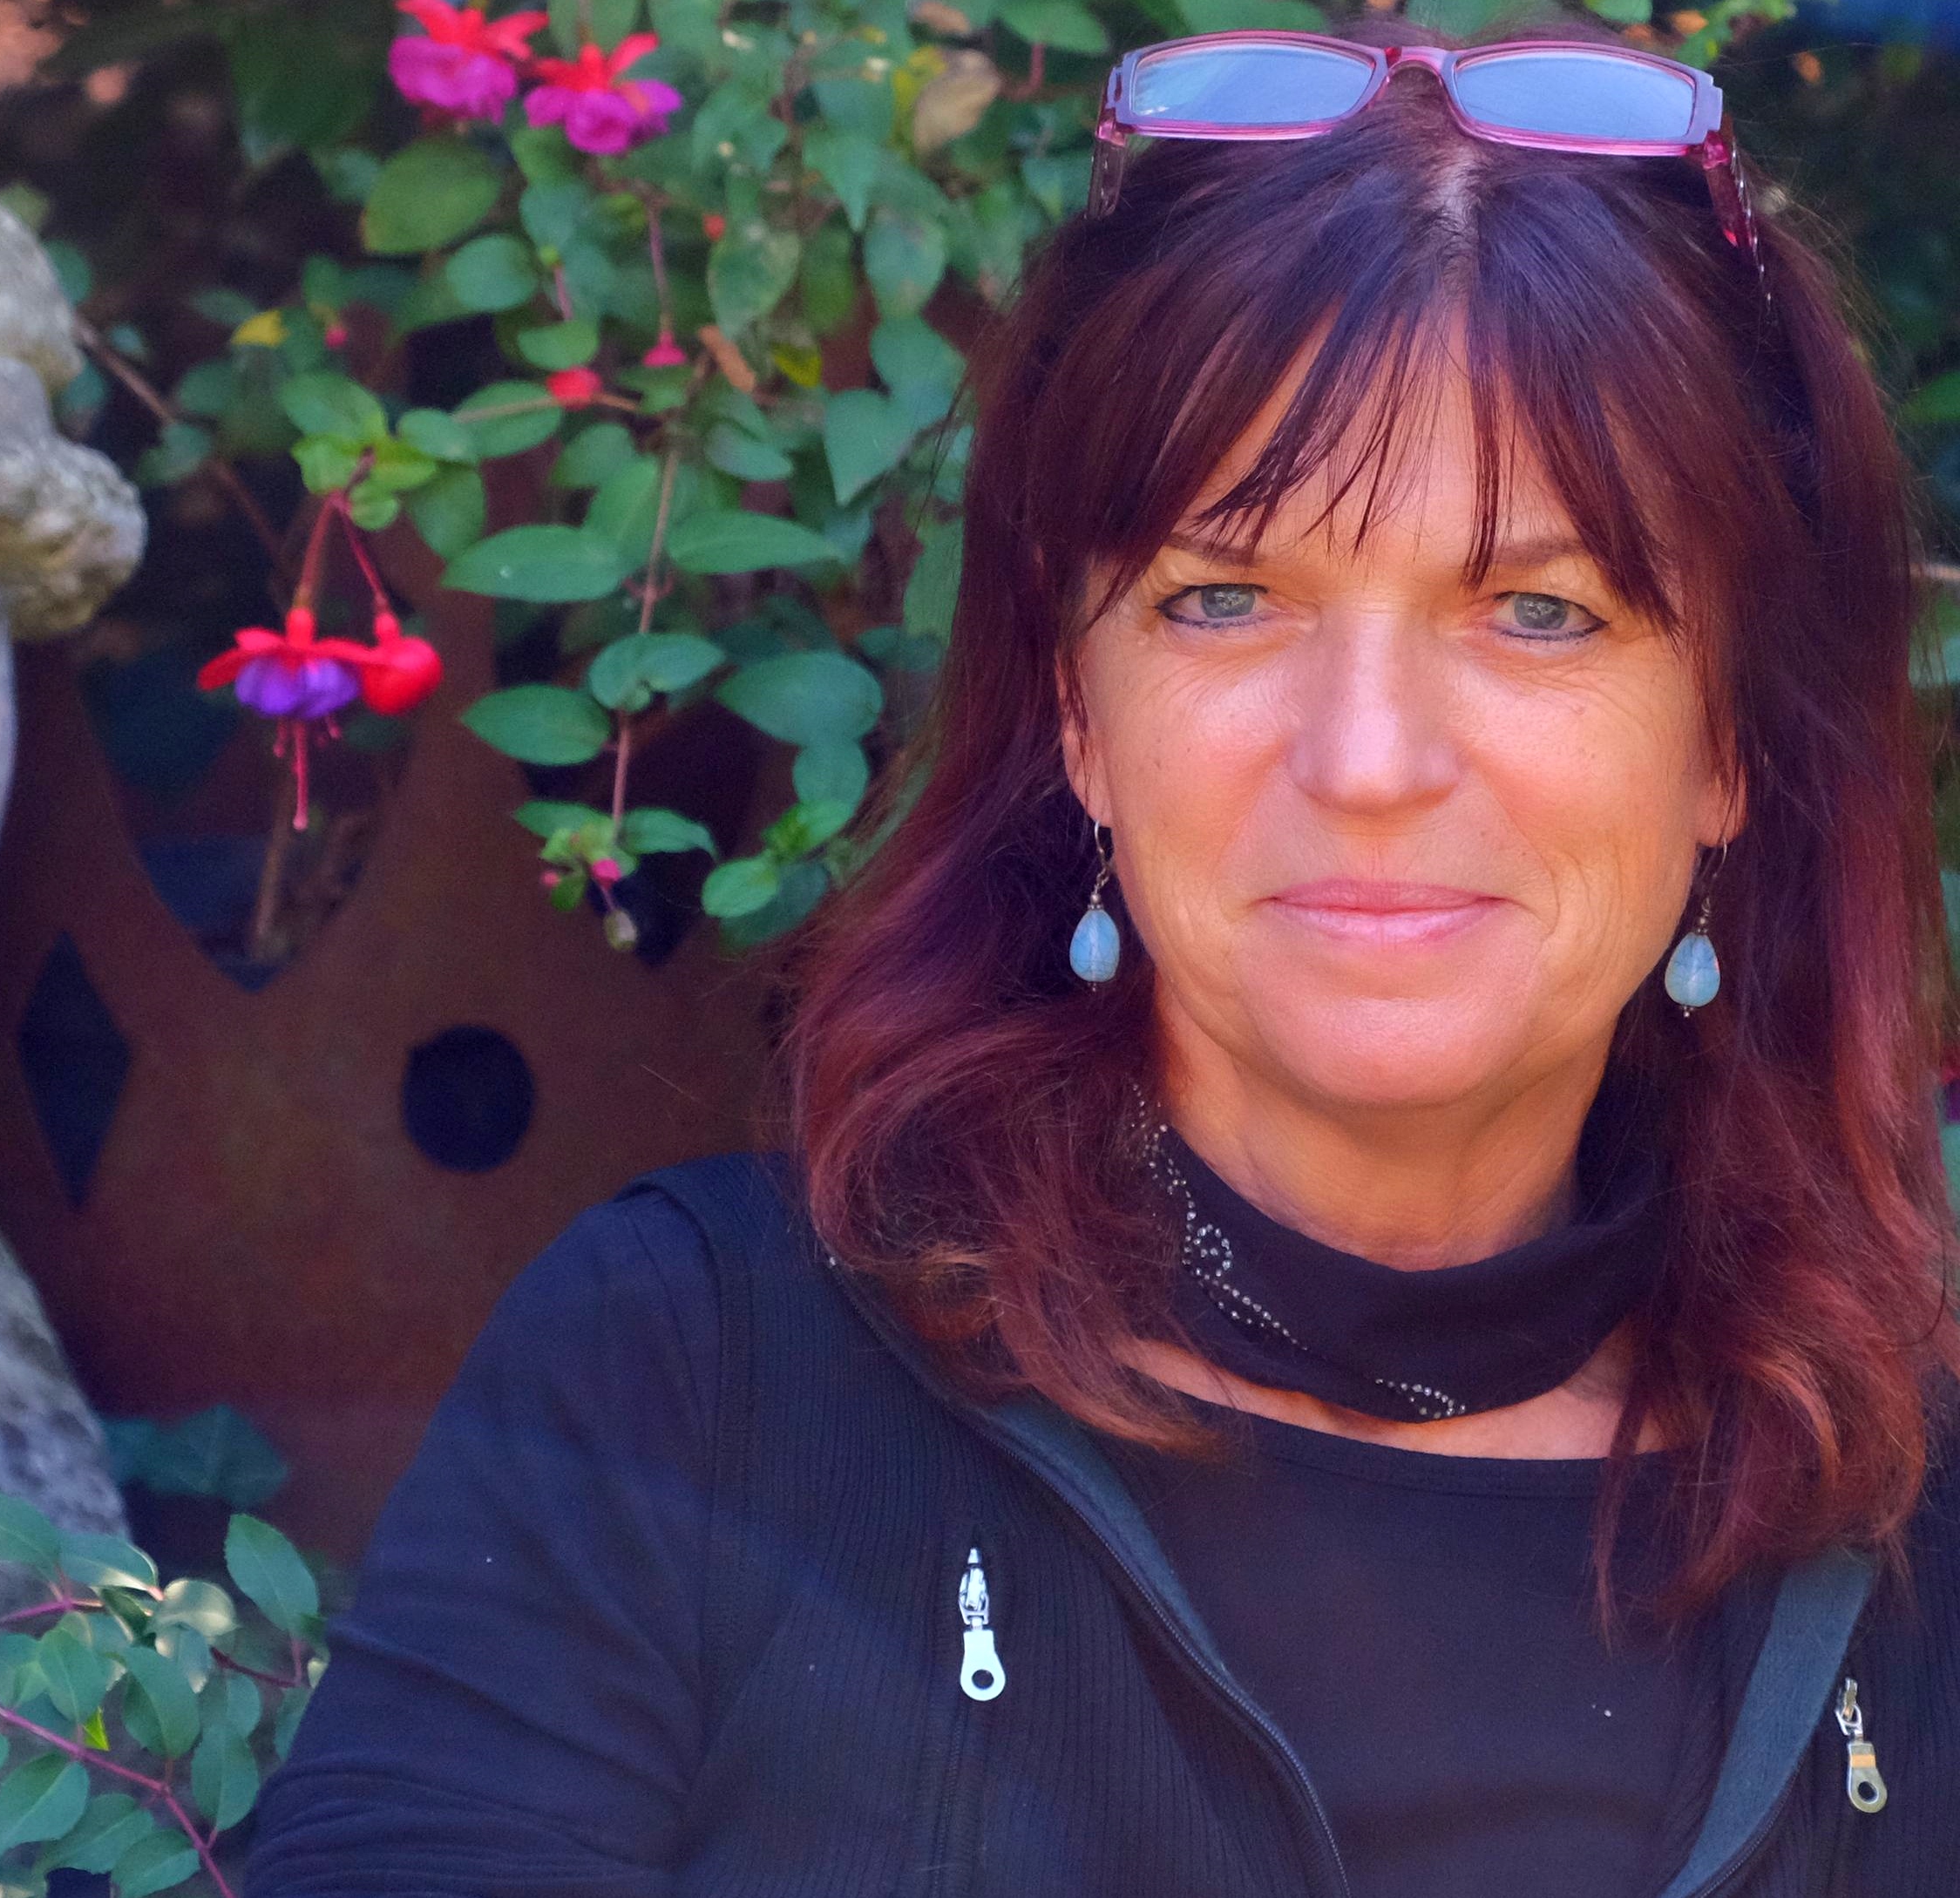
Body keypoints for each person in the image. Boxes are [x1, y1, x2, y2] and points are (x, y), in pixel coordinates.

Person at [244, 17, 1960, 1898]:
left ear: (1727, 742)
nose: (1367, 758)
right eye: (1226, 597)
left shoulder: (1904, 1494)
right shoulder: (693, 1376)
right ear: (1078, 709)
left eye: (1537, 610)